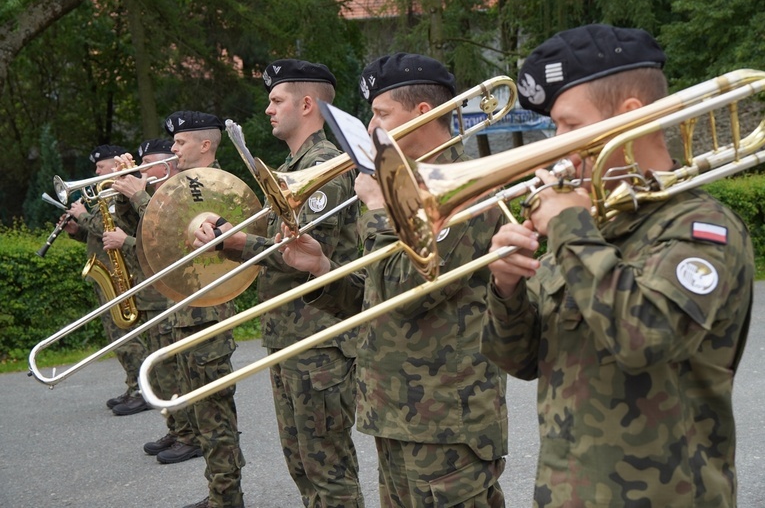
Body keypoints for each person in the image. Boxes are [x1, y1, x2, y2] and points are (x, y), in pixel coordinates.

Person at [480, 24, 753, 507]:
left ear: (627, 118)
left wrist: (569, 229)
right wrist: (506, 289)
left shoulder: (702, 227)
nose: (554, 145)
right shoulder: (590, 226)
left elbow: (642, 338)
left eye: (569, 126)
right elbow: (520, 360)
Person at [278, 53, 508, 507]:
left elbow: (407, 295)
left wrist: (379, 214)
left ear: (423, 113)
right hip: (395, 414)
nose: (369, 129)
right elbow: (376, 299)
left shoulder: (464, 189)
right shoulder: (404, 181)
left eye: (381, 114)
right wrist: (323, 270)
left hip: (446, 423)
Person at [192, 59, 364, 508]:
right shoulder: (292, 166)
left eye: (276, 100)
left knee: (328, 469)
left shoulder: (325, 164)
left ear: (307, 104)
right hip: (291, 335)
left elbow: (301, 253)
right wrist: (225, 228)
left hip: (319, 340)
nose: (268, 109)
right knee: (303, 464)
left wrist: (234, 242)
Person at [161, 111, 246, 508]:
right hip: (185, 311)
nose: (173, 149)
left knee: (215, 417)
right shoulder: (185, 185)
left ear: (206, 145)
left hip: (208, 313)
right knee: (200, 414)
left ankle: (227, 498)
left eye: (180, 142)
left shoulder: (221, 190)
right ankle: (219, 493)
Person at [107, 139, 200, 457]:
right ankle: (176, 429)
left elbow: (170, 239)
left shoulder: (177, 193)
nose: (143, 170)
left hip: (168, 294)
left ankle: (189, 434)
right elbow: (131, 225)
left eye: (148, 164)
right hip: (149, 293)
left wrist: (127, 241)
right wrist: (124, 196)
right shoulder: (149, 196)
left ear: (166, 167)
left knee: (174, 370)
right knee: (160, 372)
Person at [62, 144, 150, 415]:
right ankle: (133, 383)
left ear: (115, 166)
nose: (96, 172)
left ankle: (143, 388)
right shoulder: (105, 196)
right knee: (116, 334)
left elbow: (115, 229)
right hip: (107, 268)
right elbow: (98, 234)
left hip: (122, 270)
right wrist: (76, 229)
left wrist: (83, 216)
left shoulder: (119, 196)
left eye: (101, 167)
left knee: (127, 333)